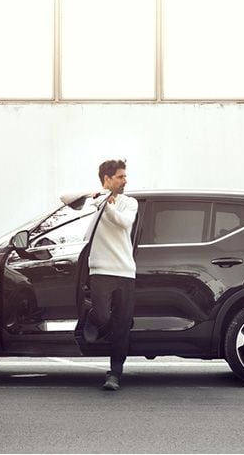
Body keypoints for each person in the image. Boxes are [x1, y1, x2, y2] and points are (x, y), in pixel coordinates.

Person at [84, 159, 138, 391]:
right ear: (107, 179)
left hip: (125, 270)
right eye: (120, 177)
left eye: (125, 176)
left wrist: (107, 204)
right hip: (100, 269)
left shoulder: (129, 203)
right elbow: (65, 198)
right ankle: (93, 320)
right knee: (103, 316)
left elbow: (124, 223)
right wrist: (97, 195)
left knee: (122, 326)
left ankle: (114, 373)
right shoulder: (94, 201)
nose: (125, 181)